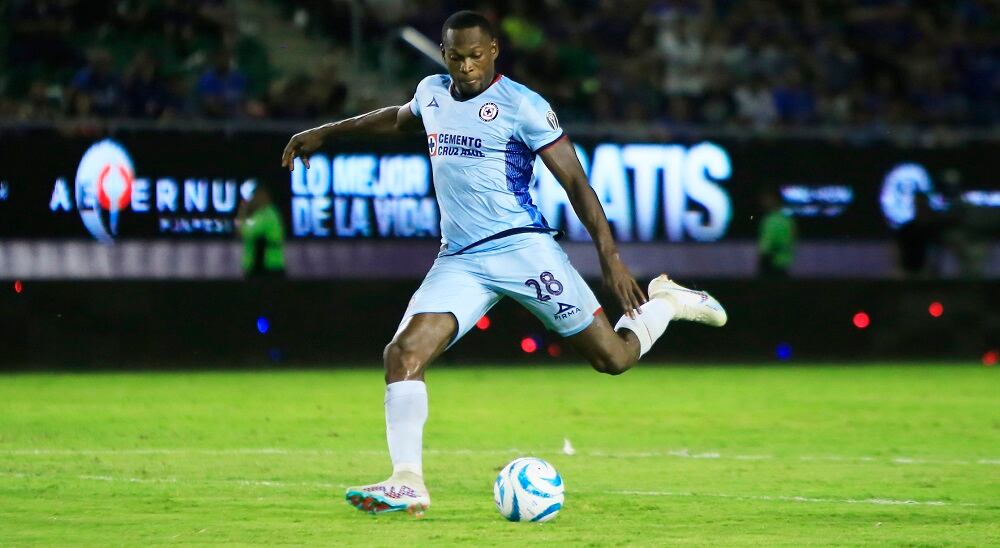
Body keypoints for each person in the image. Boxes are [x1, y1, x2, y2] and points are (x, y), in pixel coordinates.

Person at [280, 11, 727, 516]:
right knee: (401, 356)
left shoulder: (522, 106)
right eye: (456, 56)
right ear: (444, 54)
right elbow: (398, 117)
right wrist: (327, 131)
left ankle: (665, 302)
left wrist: (611, 259)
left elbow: (576, 184)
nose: (466, 67)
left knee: (613, 359)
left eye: (476, 56)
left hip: (523, 249)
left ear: (493, 51)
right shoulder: (432, 92)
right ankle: (407, 481)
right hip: (460, 260)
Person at [235, 183, 285, 279]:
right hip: (265, 266)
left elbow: (243, 231)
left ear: (263, 196)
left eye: (255, 195)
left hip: (268, 267)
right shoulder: (267, 213)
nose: (253, 199)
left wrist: (242, 211)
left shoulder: (266, 214)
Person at [757, 188, 796, 278]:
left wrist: (769, 254)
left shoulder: (782, 220)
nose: (764, 202)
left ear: (774, 199)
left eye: (767, 199)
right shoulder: (770, 219)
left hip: (776, 264)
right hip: (770, 263)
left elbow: (789, 242)